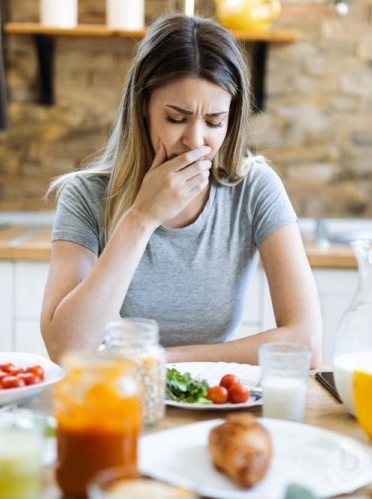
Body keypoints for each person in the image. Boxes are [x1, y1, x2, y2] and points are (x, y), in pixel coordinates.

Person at [40, 11, 322, 367]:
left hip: (212, 401)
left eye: (214, 122)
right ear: (143, 107)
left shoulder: (254, 189)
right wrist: (141, 217)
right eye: (176, 118)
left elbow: (307, 343)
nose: (195, 140)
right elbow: (66, 349)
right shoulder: (84, 196)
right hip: (115, 401)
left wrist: (159, 360)